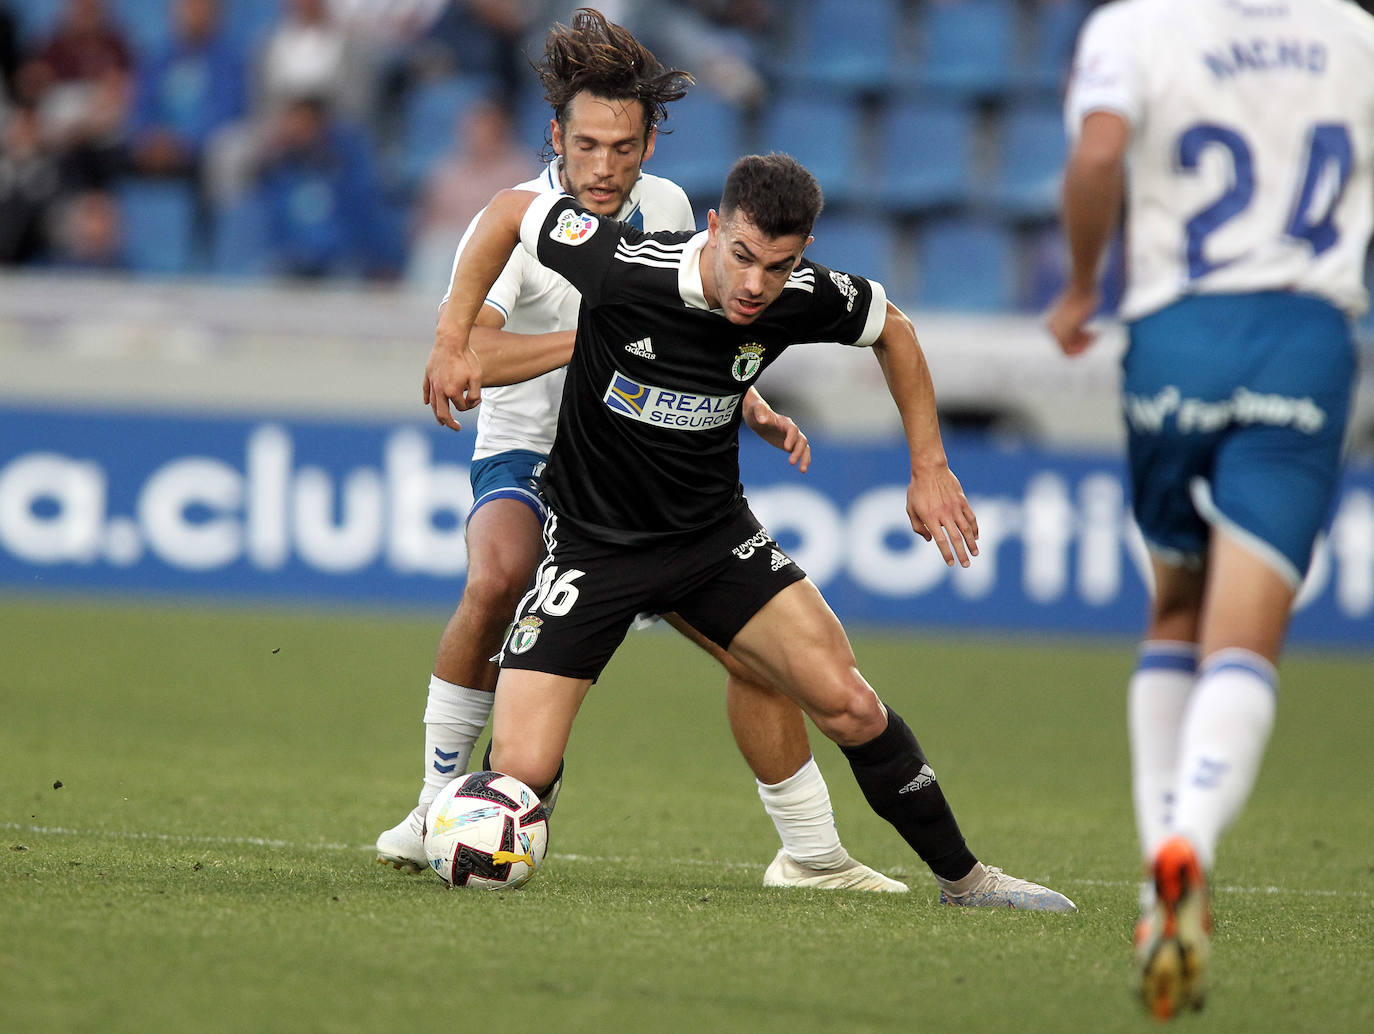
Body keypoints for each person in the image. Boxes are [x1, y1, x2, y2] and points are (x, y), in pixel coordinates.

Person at [423, 148, 1078, 912]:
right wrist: (450, 340)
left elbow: (893, 328)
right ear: (712, 229)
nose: (755, 284)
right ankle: (450, 814)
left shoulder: (801, 293)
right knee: (522, 770)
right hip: (593, 546)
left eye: (779, 265)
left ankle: (966, 882)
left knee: (850, 703)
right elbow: (507, 212)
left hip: (711, 544)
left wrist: (928, 465)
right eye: (741, 257)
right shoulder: (621, 265)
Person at [379, 8, 908, 893]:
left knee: (759, 655)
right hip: (531, 453)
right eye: (586, 144)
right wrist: (595, 335)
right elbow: (477, 357)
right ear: (556, 136)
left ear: (649, 143)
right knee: (496, 577)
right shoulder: (520, 227)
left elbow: (690, 339)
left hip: (639, 471)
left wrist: (749, 401)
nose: (604, 165)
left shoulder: (666, 211)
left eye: (623, 146)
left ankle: (811, 853)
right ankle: (437, 799)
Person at [1046, 0, 1374, 1018]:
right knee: (1245, 638)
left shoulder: (1133, 27)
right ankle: (1185, 851)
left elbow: (1100, 155)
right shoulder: (1355, 33)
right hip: (1305, 338)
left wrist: (1083, 284)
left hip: (1177, 336)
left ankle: (1159, 856)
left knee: (1175, 609)